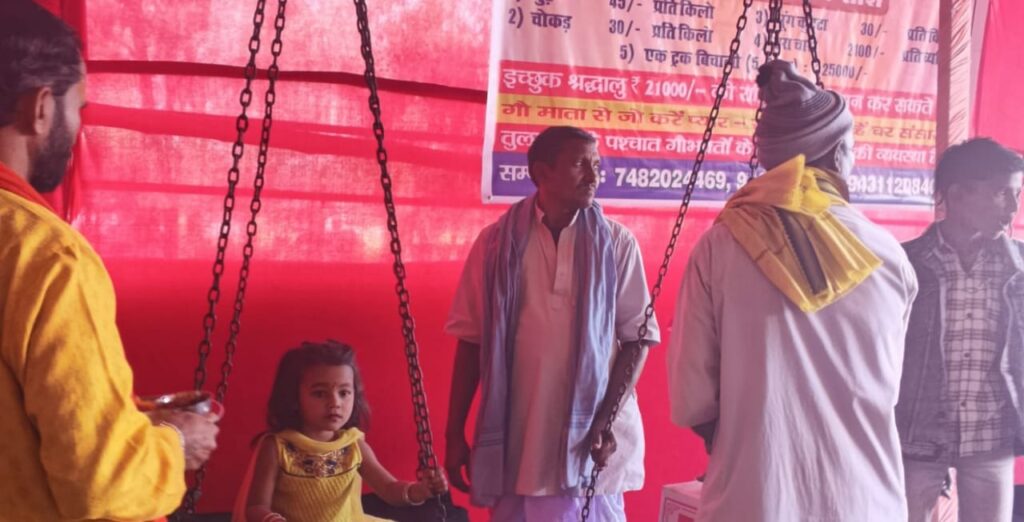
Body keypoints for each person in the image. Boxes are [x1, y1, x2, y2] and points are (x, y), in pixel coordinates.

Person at [666, 60, 918, 521]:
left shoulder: (721, 246)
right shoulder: (887, 253)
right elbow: (888, 387)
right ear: (838, 154)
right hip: (865, 501)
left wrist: (751, 445)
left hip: (756, 499)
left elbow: (693, 397)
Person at [0, 1, 219, 520]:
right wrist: (175, 443)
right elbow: (103, 486)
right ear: (40, 108)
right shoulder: (45, 257)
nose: (78, 127)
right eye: (79, 107)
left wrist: (130, 418)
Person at [444, 125, 660, 521]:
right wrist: (453, 432)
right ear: (541, 172)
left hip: (592, 442)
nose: (594, 176)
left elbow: (638, 338)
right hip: (518, 443)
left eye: (597, 165)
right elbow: (471, 341)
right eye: (580, 164)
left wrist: (605, 419)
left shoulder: (617, 243)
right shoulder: (494, 245)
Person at [897, 138, 1024, 522]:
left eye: (1017, 194)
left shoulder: (1019, 267)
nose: (1013, 207)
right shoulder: (906, 263)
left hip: (992, 435)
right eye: (1001, 193)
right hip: (915, 433)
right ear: (956, 194)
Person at [234, 341, 448, 522]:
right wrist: (271, 519)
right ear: (294, 397)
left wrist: (420, 491)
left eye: (344, 393)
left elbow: (389, 489)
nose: (335, 403)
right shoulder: (278, 447)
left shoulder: (353, 444)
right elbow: (256, 506)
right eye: (320, 393)